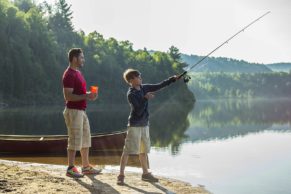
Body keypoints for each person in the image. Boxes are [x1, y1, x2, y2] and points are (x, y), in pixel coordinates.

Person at [117, 68, 179, 185]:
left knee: (143, 150)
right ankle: (121, 175)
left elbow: (159, 86)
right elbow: (138, 110)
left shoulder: (144, 87)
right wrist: (145, 98)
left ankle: (145, 174)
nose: (141, 77)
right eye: (138, 76)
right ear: (131, 80)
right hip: (134, 125)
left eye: (140, 76)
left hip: (145, 124)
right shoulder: (131, 94)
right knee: (127, 150)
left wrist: (172, 79)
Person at [62, 48, 101, 178]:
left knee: (85, 139)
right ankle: (71, 168)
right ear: (74, 58)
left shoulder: (78, 73)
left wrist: (90, 96)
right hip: (73, 111)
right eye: (82, 57)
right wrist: (86, 95)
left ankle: (85, 167)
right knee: (74, 139)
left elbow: (80, 94)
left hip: (81, 111)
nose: (84, 60)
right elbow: (68, 96)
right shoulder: (69, 74)